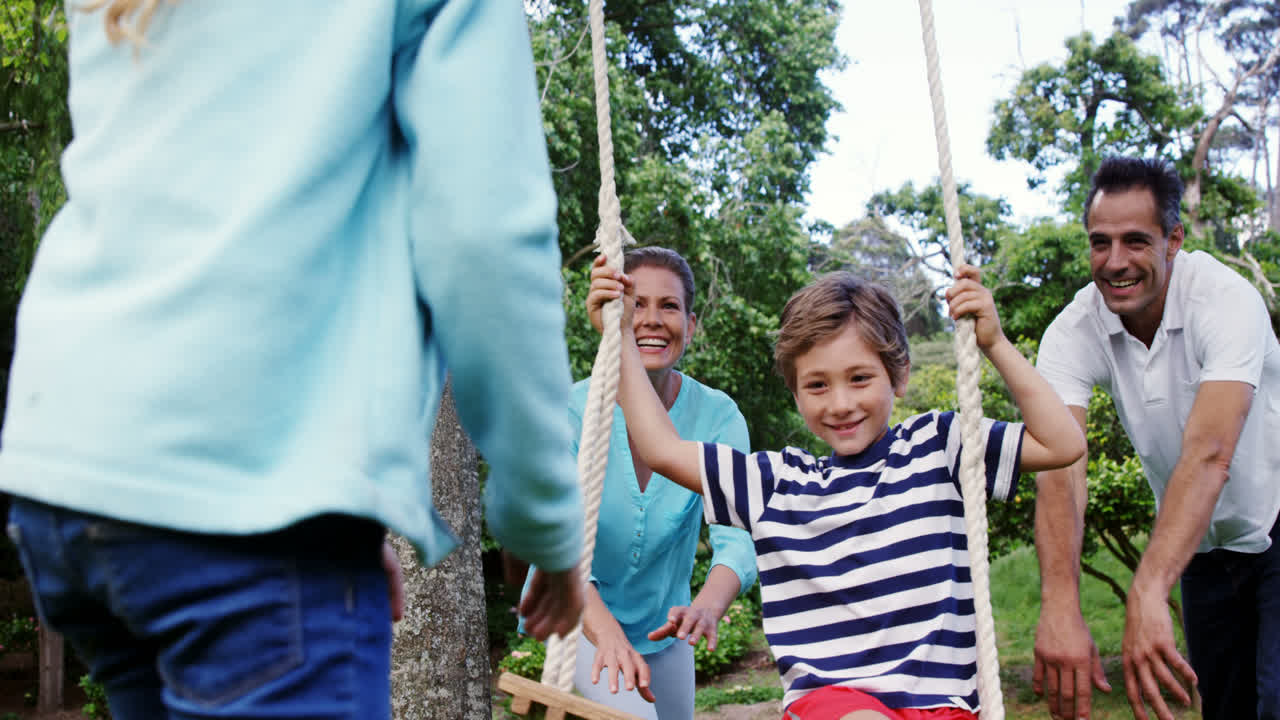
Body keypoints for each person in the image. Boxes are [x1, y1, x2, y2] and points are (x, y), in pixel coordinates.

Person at [0, 1, 586, 719]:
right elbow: (484, 244)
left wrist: (315, 488)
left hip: (71, 465)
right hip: (238, 499)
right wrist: (543, 522)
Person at [592, 258, 1085, 718]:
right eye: (818, 385)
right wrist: (618, 340)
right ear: (796, 393)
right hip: (833, 703)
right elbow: (659, 447)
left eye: (859, 378)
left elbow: (1062, 443)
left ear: (899, 376)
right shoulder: (777, 485)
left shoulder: (938, 447)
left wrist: (994, 343)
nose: (841, 402)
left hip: (944, 703)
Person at [1032, 156, 1280, 720]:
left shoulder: (1224, 300)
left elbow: (1210, 453)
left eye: (1135, 241)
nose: (1115, 262)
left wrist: (1146, 591)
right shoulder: (1075, 330)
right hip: (1203, 550)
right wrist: (1060, 604)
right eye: (1100, 242)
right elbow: (1059, 464)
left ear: (1173, 240)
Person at [519, 248, 757, 720]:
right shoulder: (570, 412)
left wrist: (707, 606)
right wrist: (606, 635)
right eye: (636, 304)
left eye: (668, 306)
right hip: (580, 621)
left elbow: (738, 537)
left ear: (690, 326)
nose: (650, 320)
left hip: (661, 634)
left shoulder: (717, 417)